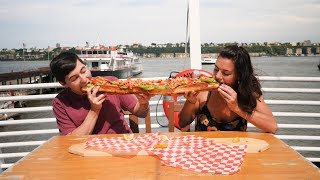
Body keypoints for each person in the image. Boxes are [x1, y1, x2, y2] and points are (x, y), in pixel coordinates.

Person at [178, 45, 278, 133]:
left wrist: (237, 108)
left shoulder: (248, 92)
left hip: (236, 150)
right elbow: (182, 123)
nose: (217, 76)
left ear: (239, 75)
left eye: (226, 73)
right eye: (216, 69)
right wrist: (190, 102)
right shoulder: (204, 91)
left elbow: (272, 127)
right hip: (205, 150)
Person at [50, 52, 152, 135]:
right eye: (74, 78)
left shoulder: (112, 83)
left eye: (83, 71)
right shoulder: (60, 102)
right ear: (63, 83)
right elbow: (70, 140)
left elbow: (141, 113)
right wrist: (94, 110)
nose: (84, 79)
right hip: (88, 152)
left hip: (122, 144)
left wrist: (143, 103)